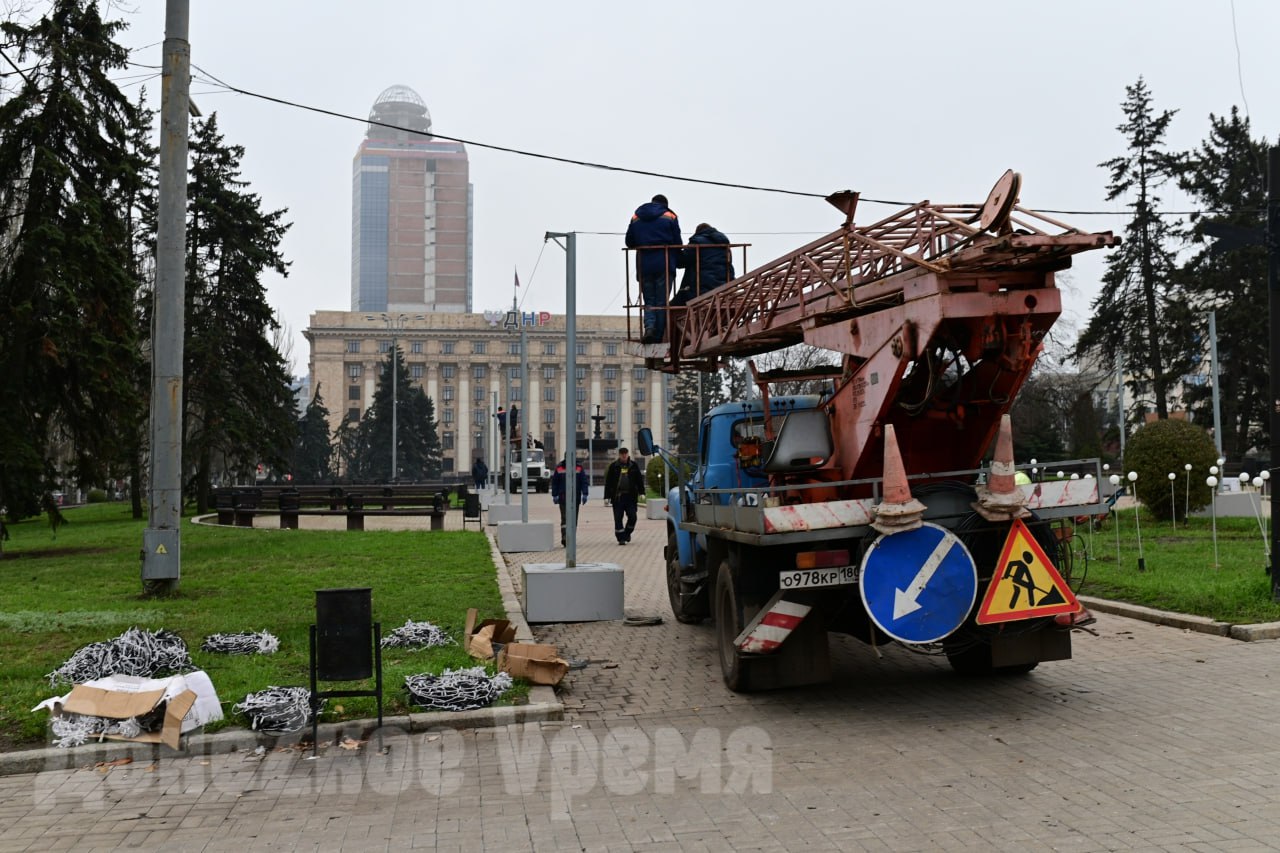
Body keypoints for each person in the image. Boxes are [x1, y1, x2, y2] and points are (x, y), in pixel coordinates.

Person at [625, 194, 681, 344]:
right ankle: (658, 336)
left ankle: (649, 328)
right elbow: (677, 242)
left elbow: (629, 241)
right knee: (662, 302)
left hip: (644, 265)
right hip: (664, 264)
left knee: (649, 300)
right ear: (665, 204)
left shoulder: (636, 217)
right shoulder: (670, 216)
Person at [671, 223, 735, 307]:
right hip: (723, 288)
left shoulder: (697, 242)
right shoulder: (724, 245)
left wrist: (674, 251)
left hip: (700, 290)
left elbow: (681, 261)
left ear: (698, 232)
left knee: (672, 306)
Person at [603, 447, 645, 545]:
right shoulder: (614, 466)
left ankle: (627, 533)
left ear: (628, 454)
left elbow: (639, 480)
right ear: (619, 455)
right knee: (618, 518)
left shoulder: (633, 465)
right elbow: (608, 482)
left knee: (633, 517)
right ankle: (621, 538)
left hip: (630, 497)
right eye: (622, 454)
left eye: (625, 454)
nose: (624, 456)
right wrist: (606, 497)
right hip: (618, 497)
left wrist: (642, 492)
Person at [550, 456, 589, 546]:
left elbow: (584, 481)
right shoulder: (559, 467)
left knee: (573, 519)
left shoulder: (579, 467)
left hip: (575, 498)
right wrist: (555, 495)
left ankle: (571, 537)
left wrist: (585, 493)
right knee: (565, 518)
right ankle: (565, 537)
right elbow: (555, 482)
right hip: (563, 497)